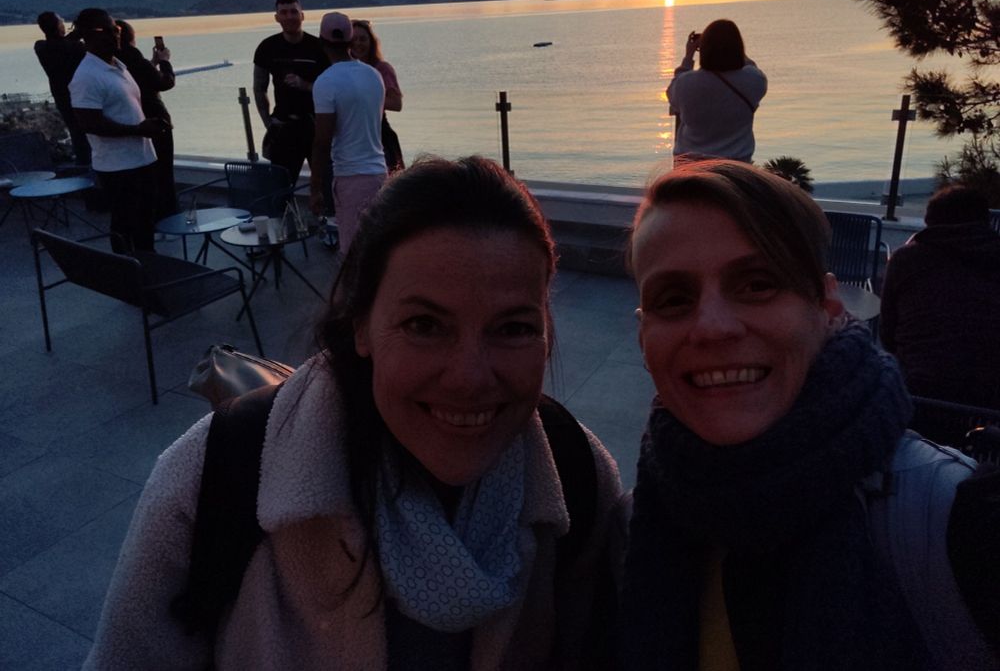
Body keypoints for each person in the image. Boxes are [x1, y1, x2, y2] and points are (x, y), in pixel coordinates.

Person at [83, 155, 622, 670]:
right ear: (361, 324)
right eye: (424, 325)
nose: (470, 378)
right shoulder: (212, 477)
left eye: (513, 328)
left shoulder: (579, 476)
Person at [621, 160, 999, 670]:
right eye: (673, 298)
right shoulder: (622, 530)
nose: (712, 328)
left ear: (826, 306)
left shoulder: (959, 523)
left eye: (756, 284)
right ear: (644, 336)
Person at [880, 184, 1000, 410]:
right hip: (989, 408)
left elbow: (888, 334)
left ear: (930, 221)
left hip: (918, 398)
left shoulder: (907, 259)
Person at [69, 8, 167, 253]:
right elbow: (90, 124)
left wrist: (150, 125)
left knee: (145, 221)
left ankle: (147, 267)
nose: (116, 34)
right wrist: (138, 129)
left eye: (118, 29)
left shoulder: (119, 65)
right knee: (125, 223)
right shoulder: (87, 76)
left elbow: (127, 108)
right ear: (89, 35)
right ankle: (129, 277)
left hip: (142, 159)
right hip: (118, 167)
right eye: (110, 30)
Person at [310, 12, 387, 255]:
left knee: (354, 253)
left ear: (321, 43)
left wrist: (315, 188)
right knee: (379, 248)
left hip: (350, 178)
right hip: (379, 173)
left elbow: (322, 141)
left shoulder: (326, 82)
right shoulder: (374, 75)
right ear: (351, 40)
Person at [253, 0, 329, 187]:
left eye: (294, 12)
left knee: (327, 185)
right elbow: (259, 88)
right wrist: (268, 123)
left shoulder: (319, 47)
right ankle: (283, 217)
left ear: (302, 16)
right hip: (284, 128)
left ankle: (327, 217)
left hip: (317, 126)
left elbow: (333, 88)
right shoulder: (267, 47)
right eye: (284, 12)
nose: (289, 17)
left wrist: (306, 85)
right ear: (276, 17)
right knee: (280, 192)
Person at [666, 19, 767, 164]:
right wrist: (736, 51)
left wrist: (689, 55)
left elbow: (672, 93)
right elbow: (752, 68)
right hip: (736, 167)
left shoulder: (686, 83)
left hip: (692, 167)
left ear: (704, 49)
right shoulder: (753, 80)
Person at [115, 19, 178, 219]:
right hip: (154, 121)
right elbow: (165, 83)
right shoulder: (135, 59)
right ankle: (168, 214)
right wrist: (165, 61)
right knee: (163, 169)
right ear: (132, 38)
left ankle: (150, 213)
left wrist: (153, 63)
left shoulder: (114, 61)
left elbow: (141, 77)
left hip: (131, 121)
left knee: (145, 172)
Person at [33, 11, 91, 166]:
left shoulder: (40, 47)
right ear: (58, 26)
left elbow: (60, 44)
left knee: (74, 129)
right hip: (80, 93)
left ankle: (82, 163)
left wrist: (75, 33)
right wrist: (80, 32)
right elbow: (67, 45)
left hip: (60, 95)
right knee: (86, 130)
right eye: (61, 21)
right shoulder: (77, 48)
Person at [351, 19, 405, 174]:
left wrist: (364, 98)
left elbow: (396, 104)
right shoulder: (344, 70)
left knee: (389, 187)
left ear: (371, 42)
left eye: (363, 39)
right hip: (353, 136)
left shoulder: (382, 69)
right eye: (354, 40)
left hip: (379, 134)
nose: (358, 44)